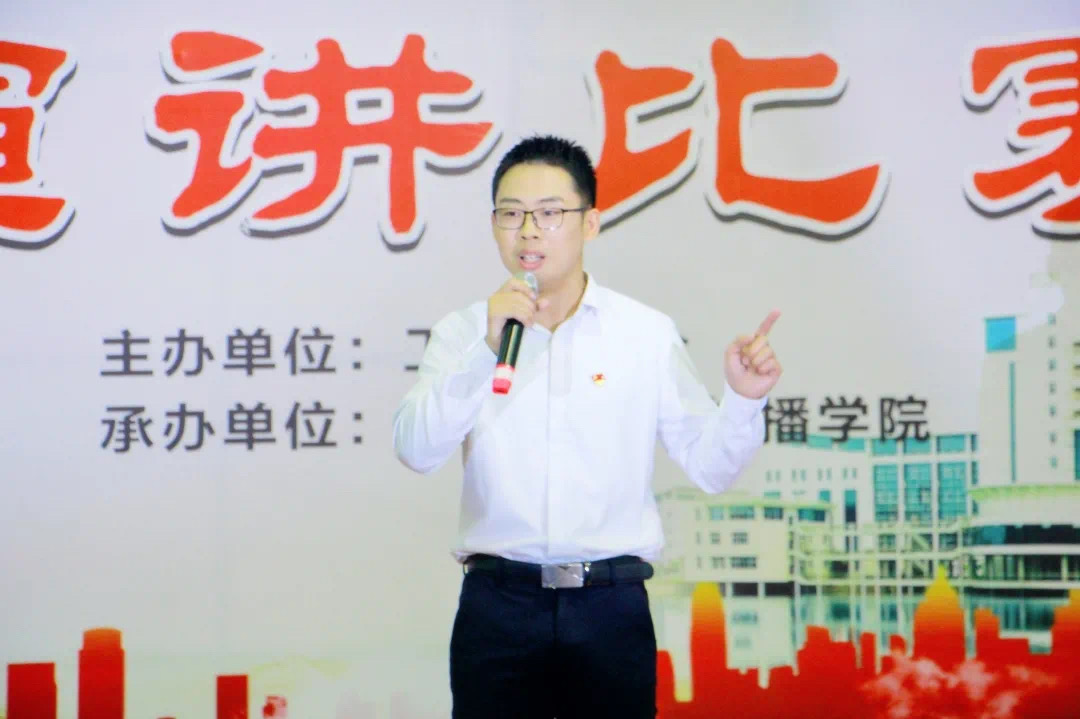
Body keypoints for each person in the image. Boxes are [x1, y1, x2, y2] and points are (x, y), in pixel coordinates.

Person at [392, 135, 781, 718]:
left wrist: (744, 401)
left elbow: (711, 468)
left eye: (549, 213)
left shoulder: (643, 333)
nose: (528, 231)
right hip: (499, 607)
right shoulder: (463, 333)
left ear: (590, 223)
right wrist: (484, 353)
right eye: (511, 214)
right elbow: (416, 450)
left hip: (610, 608)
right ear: (494, 225)